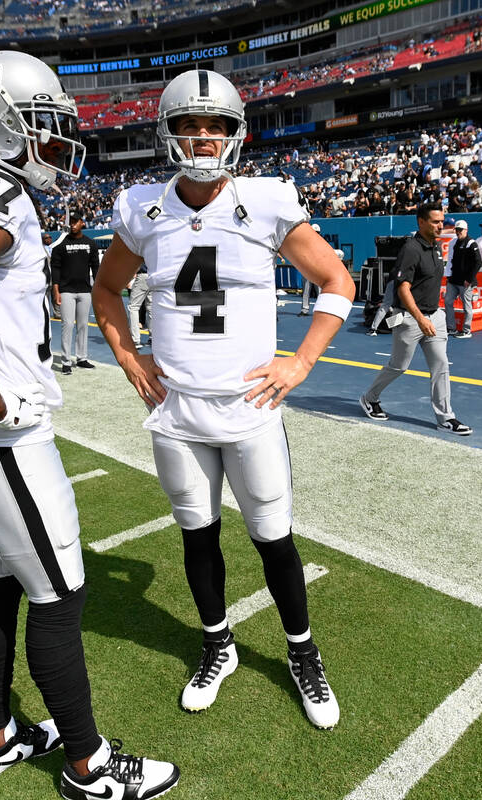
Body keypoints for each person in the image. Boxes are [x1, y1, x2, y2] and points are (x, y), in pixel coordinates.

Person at [0, 50, 178, 800]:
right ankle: (90, 766)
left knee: (0, 579)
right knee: (60, 593)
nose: (54, 146)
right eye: (40, 130)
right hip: (0, 435)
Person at [91, 68, 353, 730]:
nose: (202, 137)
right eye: (188, 124)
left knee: (273, 539)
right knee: (196, 535)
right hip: (177, 412)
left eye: (215, 126)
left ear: (236, 134)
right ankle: (218, 645)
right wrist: (127, 355)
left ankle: (302, 653)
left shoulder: (266, 200)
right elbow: (105, 290)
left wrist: (302, 361)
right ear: (169, 131)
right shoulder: (142, 206)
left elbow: (335, 280)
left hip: (250, 410)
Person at [359, 203, 473, 436]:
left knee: (441, 365)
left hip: (435, 317)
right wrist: (420, 319)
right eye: (435, 222)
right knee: (399, 365)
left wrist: (434, 314)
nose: (441, 225)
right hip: (410, 319)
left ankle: (445, 417)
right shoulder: (411, 249)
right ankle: (369, 398)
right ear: (421, 222)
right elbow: (403, 288)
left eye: (442, 221)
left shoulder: (436, 247)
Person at [50, 211, 99, 373]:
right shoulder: (60, 246)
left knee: (83, 325)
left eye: (76, 222)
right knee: (68, 325)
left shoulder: (91, 244)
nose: (73, 225)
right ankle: (66, 361)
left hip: (85, 291)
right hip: (66, 291)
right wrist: (56, 291)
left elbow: (95, 268)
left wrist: (98, 289)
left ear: (82, 223)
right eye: (70, 222)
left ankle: (82, 358)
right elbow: (55, 270)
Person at [446, 219, 481, 338]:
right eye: (457, 230)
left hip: (465, 282)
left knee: (467, 306)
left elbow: (478, 262)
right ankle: (451, 328)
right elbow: (451, 261)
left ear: (466, 230)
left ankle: (466, 331)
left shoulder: (472, 243)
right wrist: (448, 276)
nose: (458, 232)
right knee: (447, 302)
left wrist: (469, 279)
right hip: (453, 280)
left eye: (460, 230)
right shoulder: (454, 243)